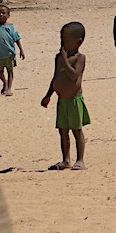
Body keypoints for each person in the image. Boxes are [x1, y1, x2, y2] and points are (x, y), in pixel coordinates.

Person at [41, 21, 89, 170]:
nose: (62, 43)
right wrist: (48, 95)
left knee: (76, 130)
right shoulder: (58, 58)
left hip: (74, 100)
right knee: (63, 130)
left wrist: (64, 60)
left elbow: (74, 75)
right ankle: (66, 159)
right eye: (61, 39)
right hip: (62, 100)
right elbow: (56, 77)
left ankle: (80, 160)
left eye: (65, 40)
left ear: (78, 42)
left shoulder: (79, 58)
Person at [0, 5, 24, 96]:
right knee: (0, 72)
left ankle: (9, 89)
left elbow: (17, 39)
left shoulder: (11, 28)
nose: (1, 15)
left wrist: (21, 50)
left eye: (3, 13)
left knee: (10, 71)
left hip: (10, 53)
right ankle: (5, 82)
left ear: (8, 15)